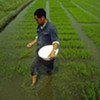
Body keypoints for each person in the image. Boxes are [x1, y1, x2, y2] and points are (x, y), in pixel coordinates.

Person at [26, 8, 59, 85]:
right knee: (33, 67)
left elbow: (56, 42)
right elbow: (38, 36)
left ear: (42, 18)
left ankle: (49, 83)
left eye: (37, 19)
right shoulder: (39, 26)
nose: (36, 21)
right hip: (39, 52)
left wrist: (53, 53)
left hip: (48, 54)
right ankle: (33, 84)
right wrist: (32, 43)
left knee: (48, 70)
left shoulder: (51, 28)